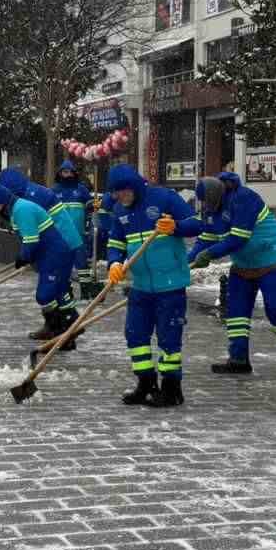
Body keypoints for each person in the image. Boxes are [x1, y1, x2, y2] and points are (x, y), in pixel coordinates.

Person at [104, 163, 204, 408]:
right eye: (116, 193)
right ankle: (146, 383)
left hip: (170, 284)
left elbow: (198, 223)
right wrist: (114, 263)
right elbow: (115, 242)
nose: (120, 197)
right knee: (135, 334)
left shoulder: (164, 198)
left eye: (124, 192)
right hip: (141, 285)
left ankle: (172, 389)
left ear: (134, 187)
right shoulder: (119, 210)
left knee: (169, 338)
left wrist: (175, 227)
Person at [189, 172, 276, 379]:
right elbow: (205, 238)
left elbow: (238, 238)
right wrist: (188, 260)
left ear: (216, 195)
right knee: (237, 313)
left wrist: (210, 254)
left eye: (207, 202)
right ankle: (239, 360)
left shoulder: (244, 198)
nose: (205, 207)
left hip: (271, 260)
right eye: (203, 203)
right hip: (243, 265)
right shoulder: (210, 211)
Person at [0, 166, 85, 338]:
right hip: (59, 243)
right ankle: (66, 325)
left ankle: (63, 325)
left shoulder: (31, 197)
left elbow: (33, 232)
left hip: (61, 242)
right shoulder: (27, 193)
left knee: (55, 286)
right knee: (59, 286)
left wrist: (28, 254)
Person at [52, 159, 92, 274]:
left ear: (74, 173)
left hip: (78, 233)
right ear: (60, 173)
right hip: (60, 234)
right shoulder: (54, 190)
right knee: (61, 264)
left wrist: (93, 205)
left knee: (81, 263)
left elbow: (90, 204)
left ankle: (85, 287)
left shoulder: (81, 189)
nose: (68, 174)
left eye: (70, 172)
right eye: (65, 172)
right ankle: (63, 286)